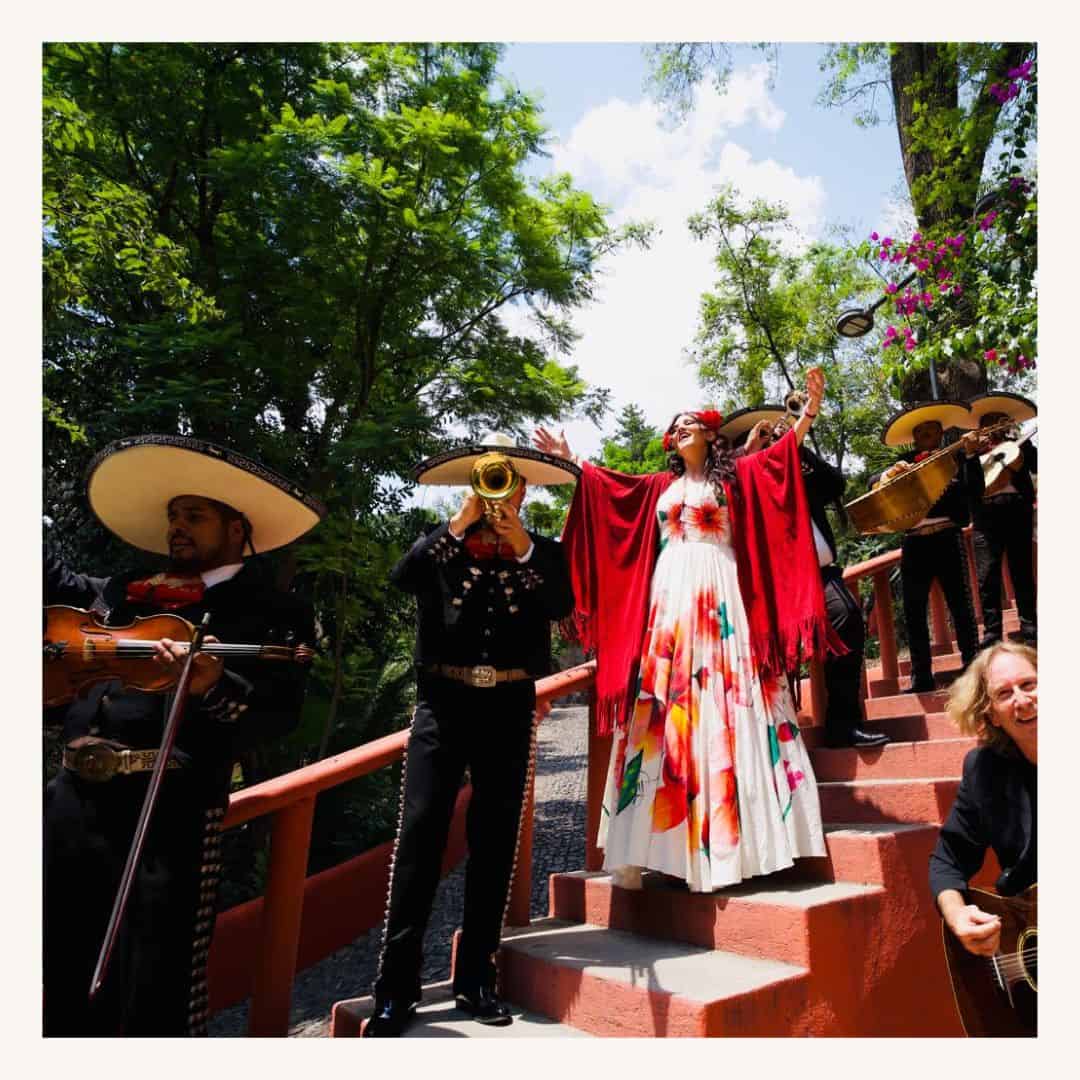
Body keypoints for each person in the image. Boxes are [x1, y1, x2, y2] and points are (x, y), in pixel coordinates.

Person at [44, 434, 323, 1036]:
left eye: (194, 516)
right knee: (61, 975)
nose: (177, 528)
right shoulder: (122, 594)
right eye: (174, 517)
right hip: (70, 807)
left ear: (236, 528)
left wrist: (211, 687)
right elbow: (53, 590)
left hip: (166, 812)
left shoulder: (274, 613)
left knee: (154, 982)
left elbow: (277, 718)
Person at [536, 369, 833, 894]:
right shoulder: (659, 488)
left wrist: (806, 413)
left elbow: (778, 463)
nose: (683, 428)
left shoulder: (733, 479)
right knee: (665, 703)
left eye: (693, 423)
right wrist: (570, 460)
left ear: (712, 436)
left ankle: (740, 845)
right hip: (669, 598)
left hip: (721, 593)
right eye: (677, 426)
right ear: (671, 441)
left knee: (732, 696)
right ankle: (658, 848)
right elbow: (608, 492)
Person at [364, 435, 577, 1037]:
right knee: (421, 834)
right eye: (489, 482)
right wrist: (458, 522)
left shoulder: (545, 554)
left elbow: (564, 601)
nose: (498, 495)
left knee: (495, 838)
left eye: (509, 483)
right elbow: (402, 577)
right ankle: (395, 986)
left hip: (510, 701)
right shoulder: (444, 549)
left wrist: (523, 543)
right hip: (442, 702)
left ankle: (476, 978)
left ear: (525, 491)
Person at [728, 405, 887, 751]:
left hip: (819, 575)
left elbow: (837, 484)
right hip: (769, 585)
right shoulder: (733, 478)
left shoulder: (799, 473)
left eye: (770, 435)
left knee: (845, 617)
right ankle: (773, 740)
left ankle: (842, 725)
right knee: (766, 651)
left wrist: (794, 445)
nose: (767, 441)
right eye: (759, 436)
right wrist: (749, 454)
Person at [929, 642, 1036, 956]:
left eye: (1029, 684)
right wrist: (957, 914)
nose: (1022, 700)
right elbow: (948, 860)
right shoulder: (984, 771)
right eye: (1004, 693)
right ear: (993, 716)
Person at [871, 401, 984, 694]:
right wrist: (888, 477)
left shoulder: (958, 458)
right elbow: (874, 485)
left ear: (941, 432)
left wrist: (971, 456)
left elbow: (976, 493)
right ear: (914, 436)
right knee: (913, 611)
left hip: (948, 537)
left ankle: (973, 669)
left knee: (961, 606)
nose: (925, 434)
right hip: (914, 543)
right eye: (919, 431)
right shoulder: (904, 462)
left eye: (931, 429)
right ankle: (921, 676)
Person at [966, 392, 1037, 648]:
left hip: (1018, 510)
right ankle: (992, 632)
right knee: (987, 575)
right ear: (980, 428)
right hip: (986, 517)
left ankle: (1030, 626)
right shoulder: (970, 455)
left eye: (999, 420)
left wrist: (1022, 444)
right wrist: (971, 455)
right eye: (988, 422)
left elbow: (1038, 466)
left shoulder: (1021, 444)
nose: (993, 426)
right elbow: (969, 487)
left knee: (1022, 570)